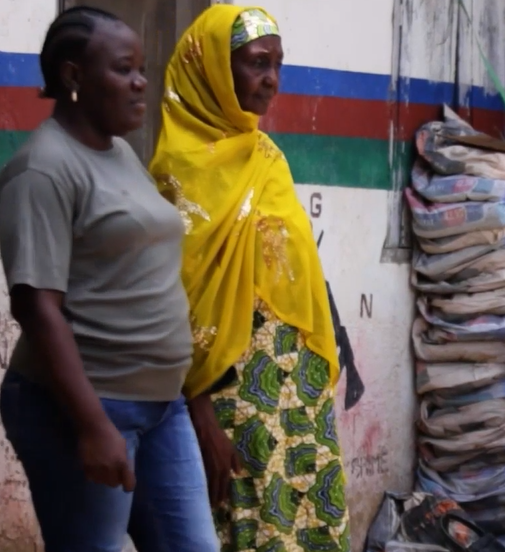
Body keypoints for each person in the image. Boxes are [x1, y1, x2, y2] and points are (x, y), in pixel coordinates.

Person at [0, 6, 219, 551]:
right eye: (124, 69)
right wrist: (92, 426)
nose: (143, 83)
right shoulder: (42, 170)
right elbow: (36, 307)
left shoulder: (119, 153)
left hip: (162, 406)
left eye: (142, 68)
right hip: (87, 405)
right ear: (73, 77)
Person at [147, 5, 351, 551]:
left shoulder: (269, 159)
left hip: (298, 404)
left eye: (278, 65)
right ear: (213, 67)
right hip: (229, 405)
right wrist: (198, 411)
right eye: (257, 63)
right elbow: (169, 305)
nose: (271, 80)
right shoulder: (176, 173)